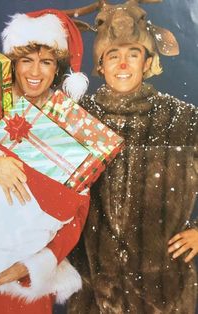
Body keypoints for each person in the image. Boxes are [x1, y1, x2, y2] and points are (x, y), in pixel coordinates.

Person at [67, 1, 198, 313]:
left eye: (132, 55)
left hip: (165, 292)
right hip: (92, 292)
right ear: (100, 65)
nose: (122, 64)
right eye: (113, 56)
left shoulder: (182, 119)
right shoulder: (77, 119)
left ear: (147, 61)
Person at [0, 9, 90, 314]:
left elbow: (77, 211)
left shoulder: (68, 128)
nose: (35, 71)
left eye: (46, 62)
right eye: (27, 60)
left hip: (20, 284)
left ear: (57, 69)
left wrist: (31, 265)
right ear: (14, 64)